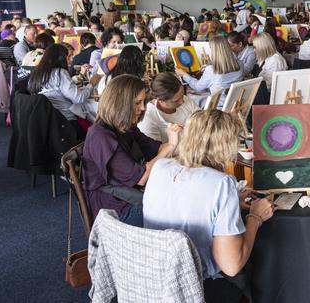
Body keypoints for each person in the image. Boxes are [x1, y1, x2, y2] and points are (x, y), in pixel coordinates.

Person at [144, 109, 274, 302]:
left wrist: (229, 202)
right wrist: (255, 217)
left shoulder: (160, 167)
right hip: (198, 287)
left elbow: (185, 200)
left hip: (154, 279)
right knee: (264, 267)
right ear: (226, 146)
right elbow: (231, 264)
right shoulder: (222, 183)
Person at [83, 75, 181, 227]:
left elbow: (157, 148)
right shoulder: (101, 136)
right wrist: (171, 145)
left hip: (129, 194)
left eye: (143, 102)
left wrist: (190, 145)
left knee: (180, 195)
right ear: (121, 104)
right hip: (113, 208)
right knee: (175, 207)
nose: (142, 108)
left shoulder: (126, 126)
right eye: (137, 103)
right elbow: (141, 177)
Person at [28, 44, 100, 138]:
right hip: (65, 121)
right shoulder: (59, 73)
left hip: (46, 121)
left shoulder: (36, 73)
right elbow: (79, 98)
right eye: (68, 56)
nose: (70, 60)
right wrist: (91, 84)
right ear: (60, 58)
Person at [176, 36, 243, 107]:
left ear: (213, 51)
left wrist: (183, 74)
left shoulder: (211, 70)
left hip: (217, 105)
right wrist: (210, 66)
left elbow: (197, 86)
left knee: (188, 96)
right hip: (233, 103)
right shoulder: (240, 64)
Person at [138, 72, 199, 142]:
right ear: (161, 100)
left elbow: (201, 118)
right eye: (176, 100)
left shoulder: (185, 100)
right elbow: (157, 151)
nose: (182, 101)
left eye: (182, 95)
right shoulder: (147, 119)